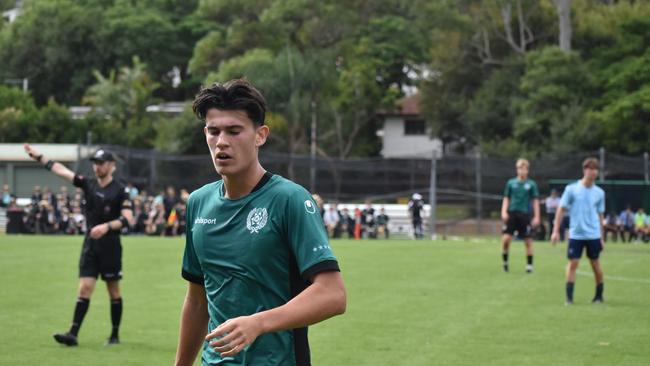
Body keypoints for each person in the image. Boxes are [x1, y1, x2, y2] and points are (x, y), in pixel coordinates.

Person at [175, 79, 346, 366]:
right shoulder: (198, 203)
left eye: (234, 131)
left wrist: (259, 323)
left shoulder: (290, 200)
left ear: (260, 135)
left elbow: (333, 294)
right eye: (213, 131)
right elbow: (197, 299)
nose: (222, 142)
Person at [24, 144, 134, 346]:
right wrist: (38, 156)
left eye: (101, 163)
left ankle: (114, 336)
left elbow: (128, 218)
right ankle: (72, 334)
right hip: (90, 245)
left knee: (113, 291)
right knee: (84, 288)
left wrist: (107, 227)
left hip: (110, 246)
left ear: (111, 166)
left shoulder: (120, 190)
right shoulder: (88, 184)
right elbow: (62, 171)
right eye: (95, 163)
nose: (97, 167)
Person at [551, 158, 606, 305]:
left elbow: (600, 216)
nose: (593, 172)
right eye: (590, 169)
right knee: (573, 263)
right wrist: (555, 231)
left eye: (595, 169)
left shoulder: (599, 193)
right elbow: (560, 210)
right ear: (584, 170)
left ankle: (599, 295)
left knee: (595, 264)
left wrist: (602, 237)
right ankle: (569, 298)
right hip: (576, 234)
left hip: (593, 234)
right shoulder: (572, 189)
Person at [500, 158, 540, 273]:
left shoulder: (531, 184)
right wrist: (504, 211)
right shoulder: (511, 183)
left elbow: (535, 201)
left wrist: (537, 216)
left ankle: (529, 266)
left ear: (527, 170)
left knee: (528, 240)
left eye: (524, 168)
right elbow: (506, 198)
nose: (522, 171)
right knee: (506, 239)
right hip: (512, 214)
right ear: (517, 170)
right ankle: (505, 263)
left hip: (524, 215)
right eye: (519, 168)